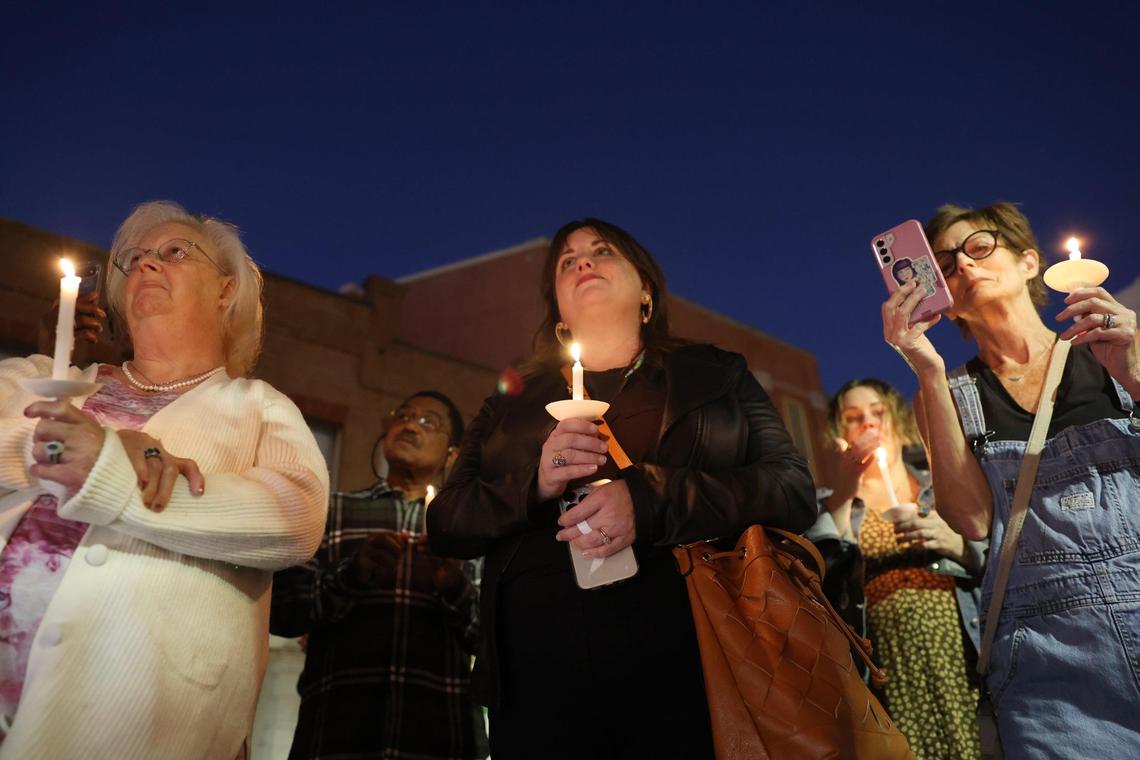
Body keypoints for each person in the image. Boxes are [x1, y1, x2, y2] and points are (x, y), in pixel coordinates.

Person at [426, 218, 817, 759]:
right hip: (540, 672)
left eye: (602, 251)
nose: (583, 261)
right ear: (557, 309)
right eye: (567, 261)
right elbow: (445, 521)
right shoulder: (511, 401)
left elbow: (792, 488)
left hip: (690, 660)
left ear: (647, 291)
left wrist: (652, 498)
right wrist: (535, 484)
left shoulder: (714, 376)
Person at [0, 201, 329, 758]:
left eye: (174, 252)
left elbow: (294, 518)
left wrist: (115, 477)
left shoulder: (256, 407)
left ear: (226, 291)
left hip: (145, 724)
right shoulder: (45, 378)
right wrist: (94, 446)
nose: (146, 264)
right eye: (134, 258)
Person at [883, 201, 1140, 756]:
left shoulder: (1113, 348)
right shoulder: (950, 394)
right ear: (943, 303)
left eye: (979, 247)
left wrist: (1135, 374)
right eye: (946, 265)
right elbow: (973, 521)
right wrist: (926, 372)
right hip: (1050, 664)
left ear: (1029, 261)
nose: (965, 266)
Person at [271, 390, 487, 760]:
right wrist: (351, 575)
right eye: (403, 415)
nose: (409, 425)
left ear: (452, 452)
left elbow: (491, 639)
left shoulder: (471, 529)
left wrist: (453, 585)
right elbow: (284, 610)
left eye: (427, 421)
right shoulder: (331, 511)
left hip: (440, 735)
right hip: (336, 732)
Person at [807, 378, 983, 759]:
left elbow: (998, 555)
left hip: (957, 649)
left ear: (897, 421)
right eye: (853, 418)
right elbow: (821, 575)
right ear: (840, 433)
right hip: (888, 664)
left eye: (877, 413)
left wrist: (957, 545)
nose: (868, 425)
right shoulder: (833, 502)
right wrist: (845, 487)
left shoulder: (940, 488)